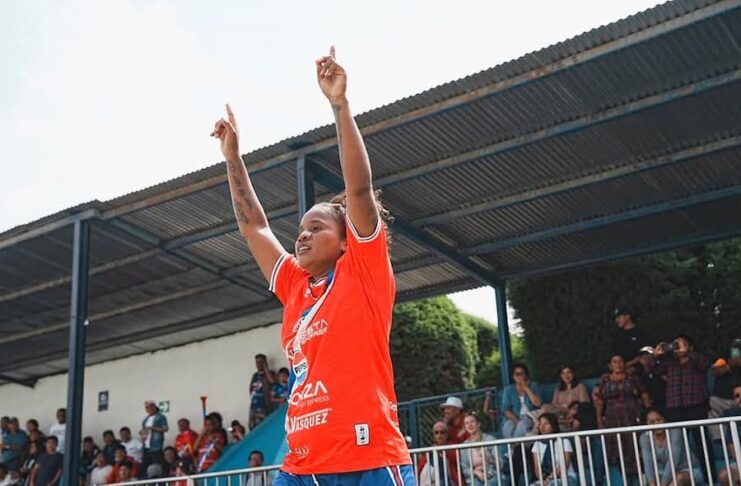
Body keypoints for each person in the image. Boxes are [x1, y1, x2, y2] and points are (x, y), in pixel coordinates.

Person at [210, 46, 412, 484]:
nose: (302, 235)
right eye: (301, 229)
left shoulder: (363, 272)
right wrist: (233, 159)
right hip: (303, 468)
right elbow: (254, 227)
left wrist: (339, 104)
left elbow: (359, 191)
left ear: (346, 242)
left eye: (316, 228)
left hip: (369, 461)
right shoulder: (295, 283)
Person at [653, 335, 714, 481]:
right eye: (675, 344)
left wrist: (688, 353)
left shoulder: (696, 359)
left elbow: (705, 365)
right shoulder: (669, 363)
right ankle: (676, 479)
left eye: (681, 344)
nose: (677, 347)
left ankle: (710, 479)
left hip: (696, 406)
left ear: (690, 347)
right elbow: (655, 371)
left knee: (702, 443)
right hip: (675, 408)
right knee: (675, 446)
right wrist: (658, 356)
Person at [593, 354, 650, 478]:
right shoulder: (605, 380)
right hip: (612, 417)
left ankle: (639, 476)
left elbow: (644, 394)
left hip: (631, 415)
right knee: (617, 446)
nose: (618, 364)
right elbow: (600, 400)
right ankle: (622, 476)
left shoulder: (632, 377)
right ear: (610, 365)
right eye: (615, 361)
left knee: (634, 444)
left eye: (620, 361)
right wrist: (599, 418)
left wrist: (649, 412)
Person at [639, 408, 703, 486]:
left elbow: (673, 460)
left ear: (665, 420)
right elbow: (647, 463)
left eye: (659, 420)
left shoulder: (675, 432)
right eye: (652, 422)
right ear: (646, 424)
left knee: (679, 478)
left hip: (687, 470)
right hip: (661, 473)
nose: (656, 424)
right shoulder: (645, 437)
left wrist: (663, 484)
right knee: (648, 480)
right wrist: (652, 484)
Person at [531, 413, 578, 486]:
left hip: (566, 478)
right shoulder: (537, 444)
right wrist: (543, 480)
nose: (542, 426)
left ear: (553, 425)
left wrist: (550, 478)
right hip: (545, 479)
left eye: (546, 423)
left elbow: (565, 464)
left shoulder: (564, 441)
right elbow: (537, 468)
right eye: (540, 424)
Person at [500, 363, 542, 438]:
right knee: (507, 427)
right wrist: (516, 420)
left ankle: (517, 444)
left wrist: (526, 387)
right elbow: (505, 409)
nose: (519, 376)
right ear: (513, 376)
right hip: (514, 417)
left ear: (526, 375)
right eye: (516, 374)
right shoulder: (508, 390)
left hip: (530, 416)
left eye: (521, 373)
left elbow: (538, 404)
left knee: (522, 425)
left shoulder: (534, 386)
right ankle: (511, 445)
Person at [542, 366, 589, 431]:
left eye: (568, 373)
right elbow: (553, 404)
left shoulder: (580, 386)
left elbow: (584, 403)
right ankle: (538, 429)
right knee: (544, 407)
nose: (566, 376)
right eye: (563, 373)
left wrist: (571, 410)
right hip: (559, 411)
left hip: (573, 411)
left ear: (573, 374)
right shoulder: (558, 389)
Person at [459, 413, 499, 486]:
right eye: (466, 423)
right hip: (475, 479)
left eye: (472, 421)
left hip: (493, 476)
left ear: (478, 424)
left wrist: (490, 460)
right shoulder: (464, 445)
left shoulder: (490, 439)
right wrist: (476, 473)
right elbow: (464, 469)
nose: (469, 425)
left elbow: (501, 463)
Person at [417, 422, 461, 486]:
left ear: (447, 435)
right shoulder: (429, 452)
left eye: (442, 432)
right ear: (434, 436)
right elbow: (419, 470)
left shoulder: (453, 448)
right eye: (436, 432)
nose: (439, 435)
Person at [612, 307, 651, 374]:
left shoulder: (640, 332)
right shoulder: (617, 334)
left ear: (627, 316)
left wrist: (629, 364)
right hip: (621, 370)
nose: (617, 320)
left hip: (639, 369)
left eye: (619, 317)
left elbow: (646, 352)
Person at [718, 384, 741, 486]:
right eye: (737, 396)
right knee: (724, 475)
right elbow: (732, 447)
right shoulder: (733, 418)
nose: (740, 398)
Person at [139, 400, 168, 473]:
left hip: (156, 446)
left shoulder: (160, 417)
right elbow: (144, 431)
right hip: (146, 447)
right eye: (147, 407)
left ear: (155, 407)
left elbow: (165, 428)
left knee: (157, 467)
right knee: (145, 468)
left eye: (151, 406)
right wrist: (142, 433)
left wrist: (153, 428)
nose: (149, 409)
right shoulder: (145, 420)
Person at [249, 354, 276, 430]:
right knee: (252, 427)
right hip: (254, 406)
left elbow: (272, 381)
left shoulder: (270, 373)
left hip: (264, 406)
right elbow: (251, 388)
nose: (258, 364)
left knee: (263, 427)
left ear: (265, 362)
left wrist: (265, 369)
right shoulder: (255, 375)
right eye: (257, 362)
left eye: (261, 362)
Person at [636, 346, 666, 414]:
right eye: (644, 357)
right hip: (646, 408)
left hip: (663, 405)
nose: (647, 359)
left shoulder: (662, 371)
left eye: (649, 356)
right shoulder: (638, 376)